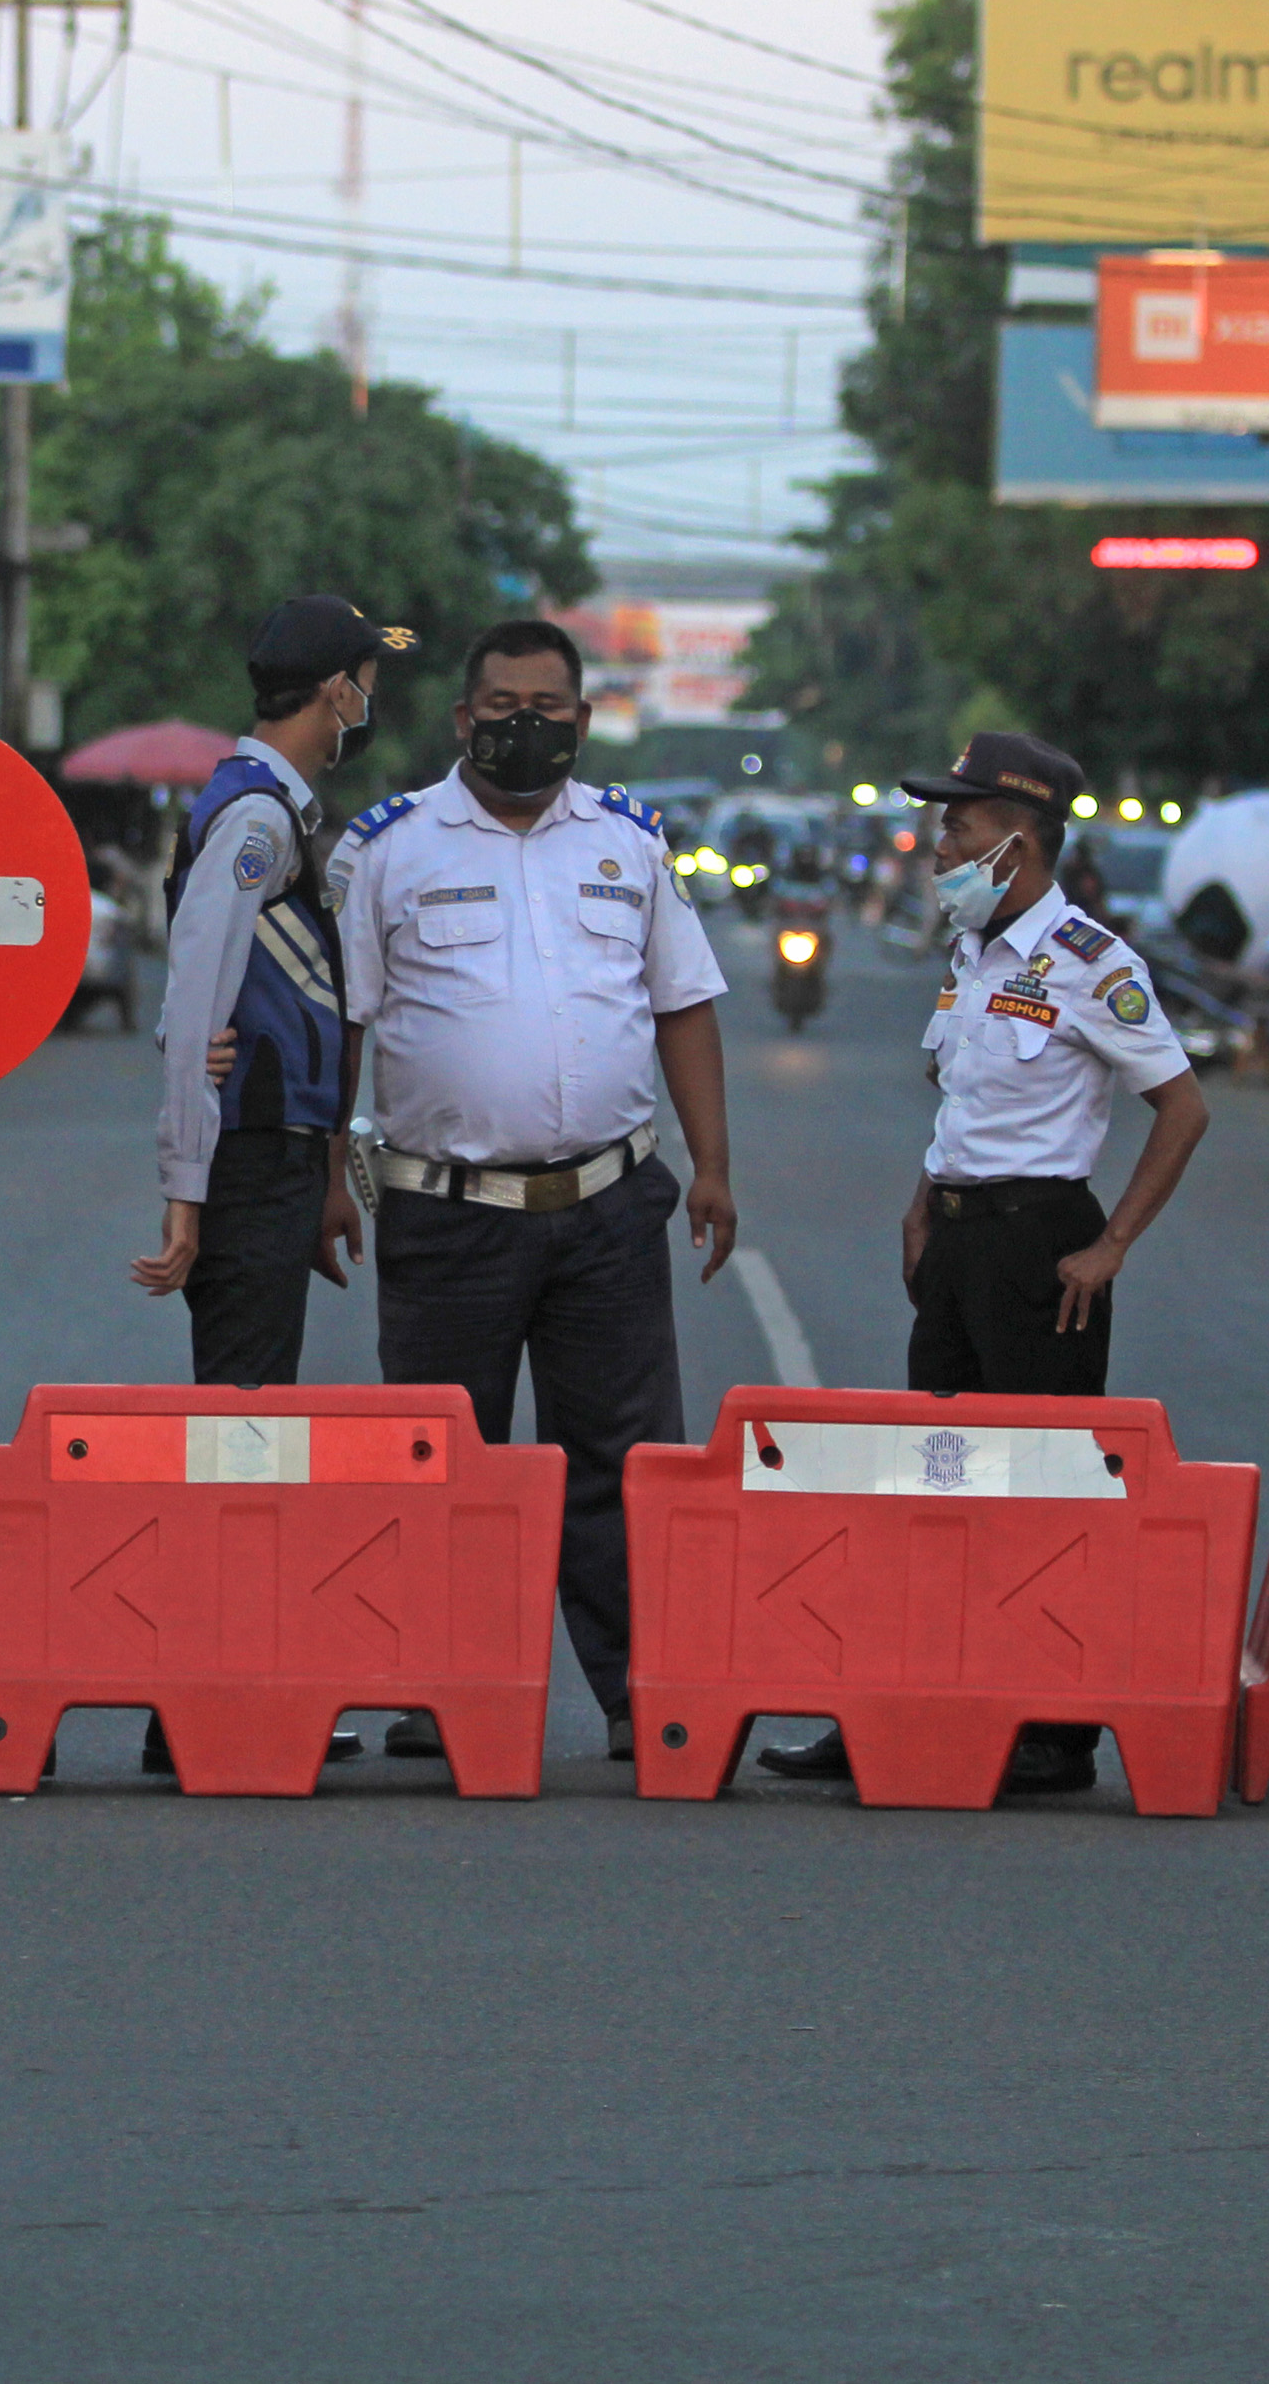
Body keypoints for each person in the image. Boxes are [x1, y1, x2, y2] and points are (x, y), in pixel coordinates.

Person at [760, 731, 1211, 1798]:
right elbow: (963, 1104)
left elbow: (1183, 1110)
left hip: (1038, 1247)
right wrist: (924, 1202)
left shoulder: (1093, 963)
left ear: (1016, 839)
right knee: (939, 1486)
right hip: (959, 1241)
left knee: (1043, 1500)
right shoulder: (972, 955)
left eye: (956, 827)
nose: (939, 845)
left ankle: (1053, 1734)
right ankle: (905, 1707)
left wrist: (1108, 1248)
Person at [330, 618, 736, 1765]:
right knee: (445, 1463)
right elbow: (344, 1027)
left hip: (609, 1209)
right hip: (445, 1215)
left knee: (624, 1462)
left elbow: (682, 1006)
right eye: (502, 706)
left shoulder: (629, 843)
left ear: (583, 719)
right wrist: (326, 1179)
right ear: (464, 718)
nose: (525, 724)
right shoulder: (388, 848)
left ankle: (638, 1696)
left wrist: (712, 1166)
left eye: (548, 707)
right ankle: (442, 1695)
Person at [124, 593, 410, 1776]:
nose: (367, 704)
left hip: (276, 1157)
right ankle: (203, 1705)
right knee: (239, 1434)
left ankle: (215, 1696)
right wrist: (184, 1187)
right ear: (335, 689)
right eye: (365, 682)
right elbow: (194, 992)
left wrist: (328, 1170)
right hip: (243, 1164)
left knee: (251, 1426)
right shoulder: (254, 816)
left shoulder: (273, 809)